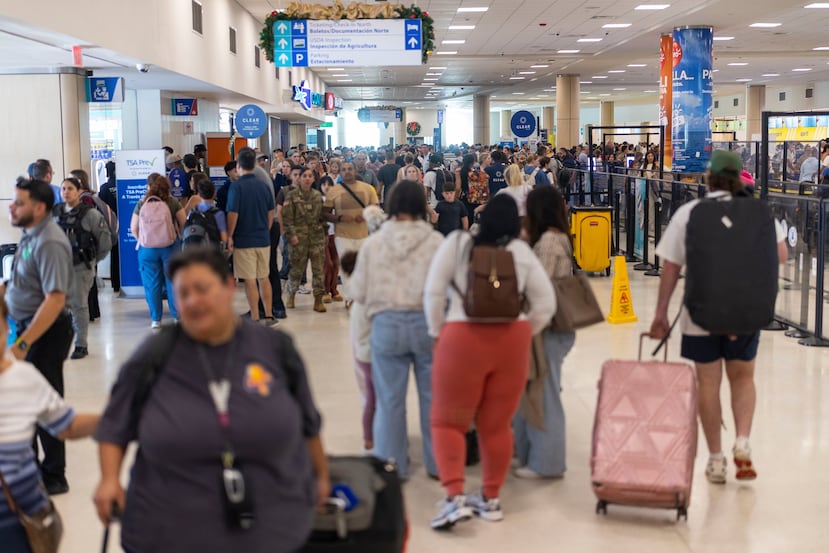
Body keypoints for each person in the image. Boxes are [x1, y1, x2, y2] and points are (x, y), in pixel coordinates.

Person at [93, 248, 329, 553]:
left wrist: (321, 475)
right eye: (183, 293)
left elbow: (308, 422)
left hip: (270, 530)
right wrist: (109, 480)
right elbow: (115, 424)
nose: (192, 301)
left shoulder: (274, 349)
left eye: (202, 289)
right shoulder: (154, 355)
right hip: (167, 533)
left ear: (230, 286)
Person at [649, 150, 787, 485]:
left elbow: (670, 266)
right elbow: (781, 255)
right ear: (740, 178)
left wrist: (660, 313)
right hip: (746, 313)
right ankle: (742, 440)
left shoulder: (690, 213)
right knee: (742, 379)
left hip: (701, 313)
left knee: (707, 385)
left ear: (708, 178)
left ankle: (715, 459)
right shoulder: (762, 212)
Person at [424, 194, 556, 529]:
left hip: (461, 337)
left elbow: (434, 292)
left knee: (447, 422)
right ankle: (490, 498)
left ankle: (454, 497)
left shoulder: (457, 243)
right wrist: (525, 329)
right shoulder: (522, 252)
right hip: (512, 341)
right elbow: (546, 303)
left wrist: (439, 330)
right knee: (497, 425)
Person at [349, 180, 443, 481]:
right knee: (432, 398)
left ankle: (392, 465)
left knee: (389, 400)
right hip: (426, 325)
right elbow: (448, 290)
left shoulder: (373, 244)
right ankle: (436, 464)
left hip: (386, 326)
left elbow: (359, 293)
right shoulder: (435, 242)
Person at [0, 296, 100, 553]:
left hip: (22, 518)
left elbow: (66, 425)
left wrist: (113, 416)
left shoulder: (23, 377)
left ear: (5, 327)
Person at [4, 177, 76, 497]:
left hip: (44, 333)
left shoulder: (49, 241)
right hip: (25, 328)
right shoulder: (30, 234)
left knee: (45, 403)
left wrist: (23, 343)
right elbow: (22, 282)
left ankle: (54, 475)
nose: (12, 206)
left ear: (39, 207)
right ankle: (29, 468)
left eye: (19, 202)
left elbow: (55, 299)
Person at [513, 186, 575, 478]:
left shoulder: (549, 241)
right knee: (535, 391)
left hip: (550, 326)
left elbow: (542, 285)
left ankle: (547, 462)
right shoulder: (552, 237)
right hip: (549, 326)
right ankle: (528, 453)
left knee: (546, 394)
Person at [53, 177, 112, 359]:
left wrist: (93, 261)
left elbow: (105, 242)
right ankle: (61, 344)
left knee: (79, 305)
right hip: (59, 267)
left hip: (82, 266)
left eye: (70, 188)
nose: (66, 192)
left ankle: (81, 345)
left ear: (79, 191)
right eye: (63, 189)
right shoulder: (56, 213)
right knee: (59, 307)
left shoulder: (90, 215)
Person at [227, 147, 279, 326]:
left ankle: (255, 317)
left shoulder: (237, 187)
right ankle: (270, 316)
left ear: (239, 166)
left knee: (249, 280)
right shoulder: (263, 185)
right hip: (263, 239)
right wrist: (266, 229)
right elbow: (270, 211)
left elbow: (233, 214)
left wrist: (229, 236)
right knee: (264, 277)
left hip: (244, 240)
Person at [131, 174, 185, 328]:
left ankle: (156, 319)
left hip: (147, 249)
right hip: (170, 247)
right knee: (173, 282)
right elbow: (183, 221)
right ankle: (177, 317)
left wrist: (141, 239)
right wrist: (177, 237)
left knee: (152, 284)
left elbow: (133, 227)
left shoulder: (142, 203)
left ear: (149, 186)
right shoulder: (172, 202)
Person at [322, 161, 379, 298]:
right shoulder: (334, 191)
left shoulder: (368, 189)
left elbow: (375, 209)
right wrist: (339, 218)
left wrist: (365, 215)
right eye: (344, 169)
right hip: (342, 234)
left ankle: (361, 295)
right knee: (347, 266)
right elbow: (324, 213)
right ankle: (350, 297)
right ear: (340, 172)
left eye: (350, 169)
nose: (347, 171)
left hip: (363, 234)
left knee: (361, 266)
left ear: (355, 171)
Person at [340, 249, 375, 452]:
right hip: (369, 354)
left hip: (359, 355)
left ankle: (370, 436)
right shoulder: (365, 298)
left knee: (367, 396)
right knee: (373, 397)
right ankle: (370, 437)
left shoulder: (355, 299)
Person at [283, 167, 327, 313]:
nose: (307, 178)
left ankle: (318, 299)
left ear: (313, 179)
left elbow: (322, 217)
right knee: (296, 269)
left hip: (316, 238)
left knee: (318, 270)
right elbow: (287, 219)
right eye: (304, 176)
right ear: (299, 178)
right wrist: (292, 235)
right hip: (299, 239)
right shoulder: (292, 196)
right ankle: (291, 294)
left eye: (310, 176)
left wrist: (325, 235)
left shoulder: (317, 195)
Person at [319, 176, 342, 303]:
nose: (327, 187)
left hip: (336, 234)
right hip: (323, 235)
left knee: (336, 263)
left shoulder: (337, 201)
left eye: (329, 184)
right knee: (327, 264)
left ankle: (334, 290)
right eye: (324, 184)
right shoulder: (318, 200)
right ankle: (325, 290)